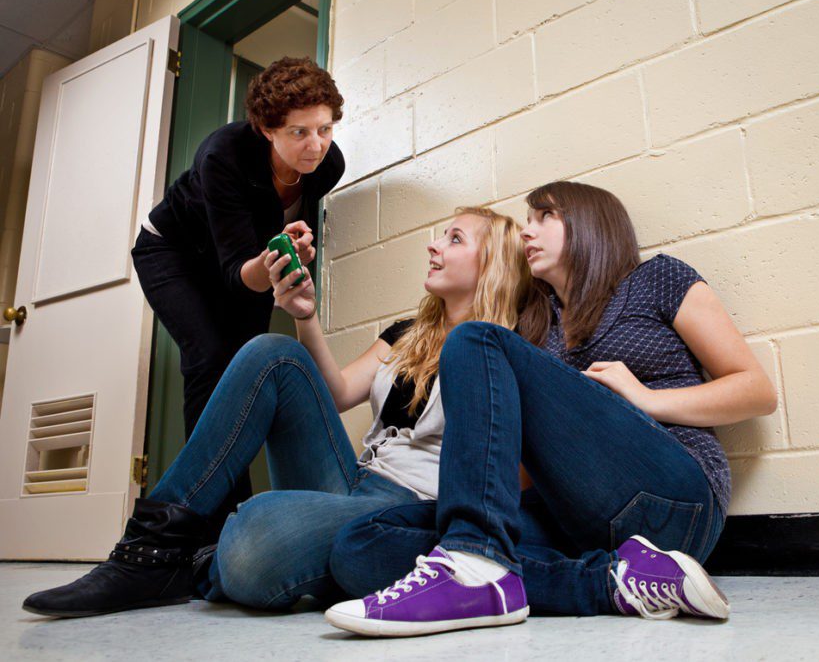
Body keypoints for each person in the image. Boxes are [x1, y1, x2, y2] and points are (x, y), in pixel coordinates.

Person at [23, 207, 531, 618]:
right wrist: (305, 317)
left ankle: (206, 563)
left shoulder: (504, 352)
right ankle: (149, 549)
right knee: (273, 352)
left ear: (493, 265)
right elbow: (334, 395)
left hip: (411, 505)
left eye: (455, 239)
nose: (434, 245)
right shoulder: (405, 333)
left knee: (253, 536)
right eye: (441, 236)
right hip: (355, 478)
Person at [322, 181, 778, 637]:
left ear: (589, 224)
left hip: (672, 498)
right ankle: (612, 583)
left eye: (544, 217)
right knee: (359, 546)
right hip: (581, 523)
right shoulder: (536, 326)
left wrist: (645, 398)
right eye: (527, 220)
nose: (527, 232)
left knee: (474, 338)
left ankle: (475, 561)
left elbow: (756, 391)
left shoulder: (655, 280)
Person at [130, 56, 345, 518]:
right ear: (267, 129)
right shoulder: (222, 154)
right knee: (209, 357)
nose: (316, 145)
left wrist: (292, 248)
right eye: (299, 132)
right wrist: (271, 259)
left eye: (325, 129)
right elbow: (236, 271)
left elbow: (271, 236)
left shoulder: (328, 165)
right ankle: (202, 520)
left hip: (245, 257)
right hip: (173, 252)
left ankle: (240, 517)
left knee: (249, 365)